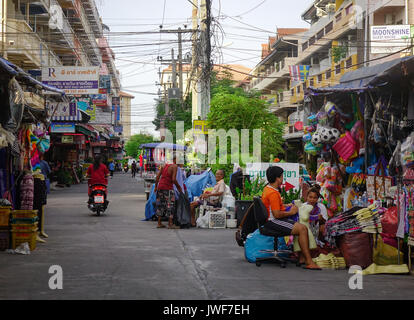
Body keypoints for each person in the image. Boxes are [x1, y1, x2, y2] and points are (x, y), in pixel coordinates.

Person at [261, 166, 321, 270]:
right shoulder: (273, 193)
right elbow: (276, 214)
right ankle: (309, 261)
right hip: (273, 221)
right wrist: (291, 212)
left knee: (298, 225)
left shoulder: (268, 189)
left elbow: (274, 207)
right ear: (277, 178)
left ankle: (302, 258)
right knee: (302, 228)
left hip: (271, 220)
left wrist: (286, 206)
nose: (282, 179)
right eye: (282, 176)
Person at [154, 155, 183, 229]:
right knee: (170, 205)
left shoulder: (164, 166)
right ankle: (170, 224)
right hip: (168, 188)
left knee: (160, 205)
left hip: (160, 187)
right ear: (175, 160)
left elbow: (157, 177)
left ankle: (159, 223)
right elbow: (173, 179)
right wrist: (179, 187)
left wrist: (155, 187)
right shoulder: (174, 167)